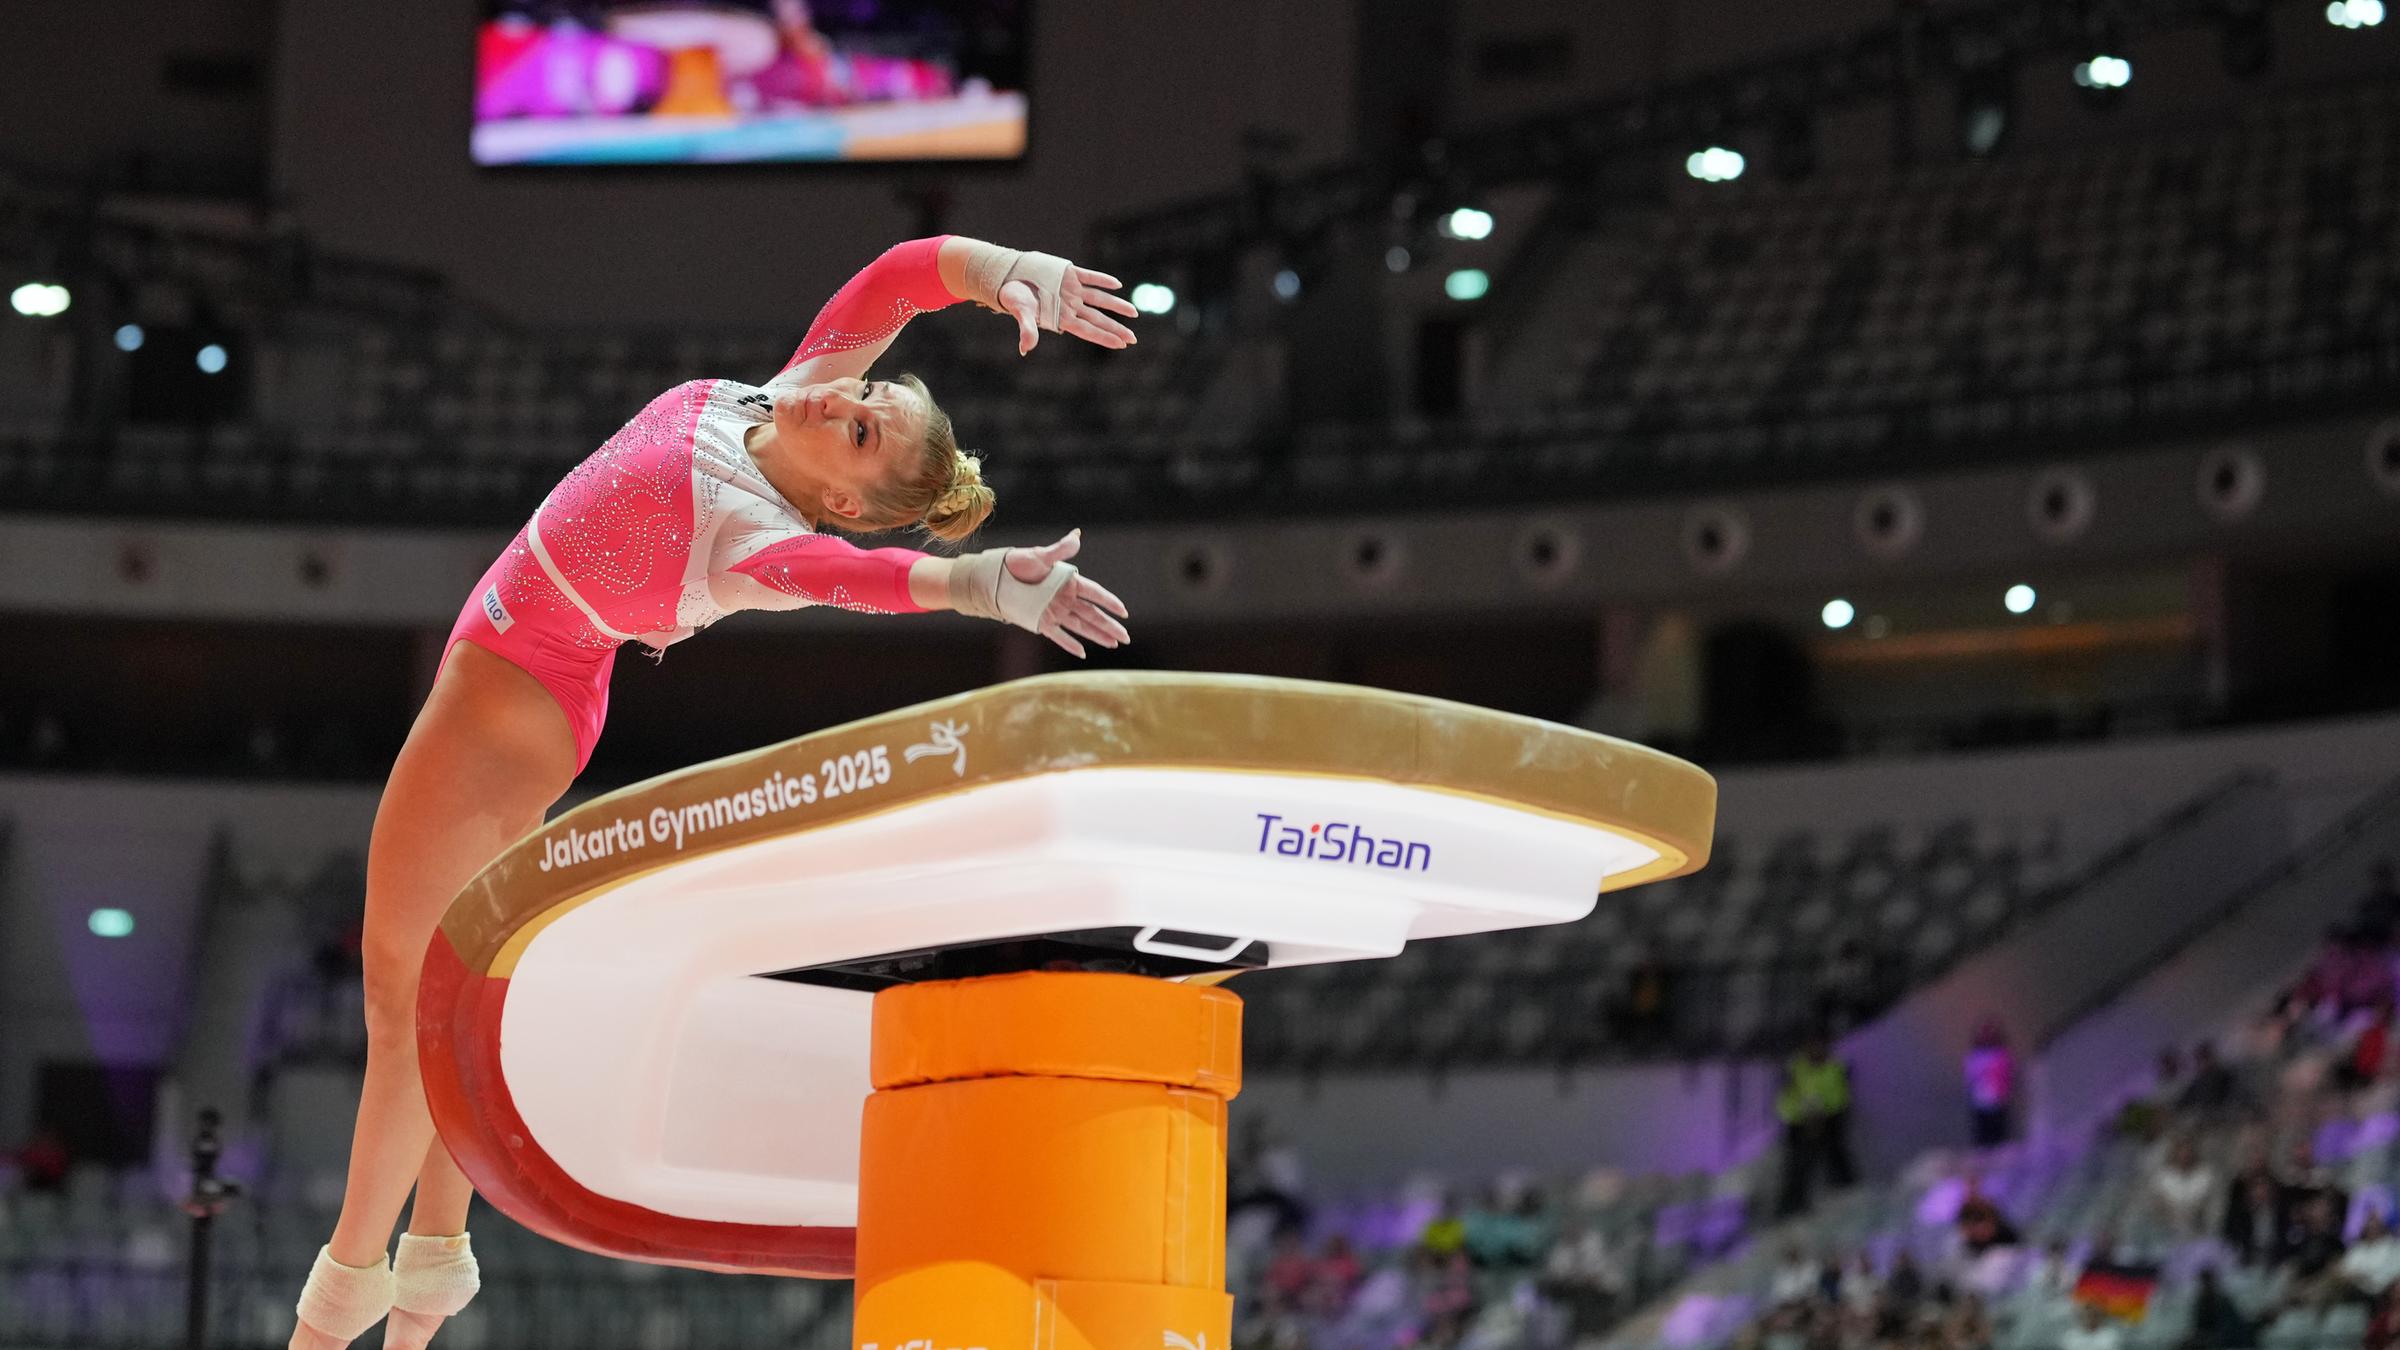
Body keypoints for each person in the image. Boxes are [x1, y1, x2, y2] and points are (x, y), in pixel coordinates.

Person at [284, 234, 1142, 1350]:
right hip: (524, 681)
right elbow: (893, 278)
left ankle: (334, 1307)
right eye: (872, 390)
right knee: (441, 1005)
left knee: (404, 1011)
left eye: (863, 429)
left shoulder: (755, 543)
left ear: (840, 490)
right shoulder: (778, 398)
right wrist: (996, 270)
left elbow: (862, 579)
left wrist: (977, 584)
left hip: (510, 698)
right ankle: (432, 1264)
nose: (847, 398)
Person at [1774, 1034, 1858, 1216]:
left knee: (1836, 1157)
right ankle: (1792, 1207)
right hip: (1799, 1123)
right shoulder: (1795, 1068)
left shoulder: (1835, 1068)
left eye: (1820, 1046)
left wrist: (1823, 1112)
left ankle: (1847, 1196)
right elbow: (1786, 1099)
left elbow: (1840, 1097)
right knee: (1797, 1166)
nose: (1816, 1051)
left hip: (1828, 1120)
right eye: (1812, 1047)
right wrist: (1803, 1115)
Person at [1963, 1019, 2016, 1148]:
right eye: (1983, 1032)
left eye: (1990, 1032)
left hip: (1998, 1102)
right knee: (1983, 1140)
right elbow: (1970, 1079)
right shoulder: (1974, 1056)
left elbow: (2008, 1077)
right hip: (1980, 1103)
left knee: (1999, 1138)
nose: (1986, 1035)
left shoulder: (2002, 1055)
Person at [2059, 1301, 2126, 1350]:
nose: (2089, 1318)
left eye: (2093, 1315)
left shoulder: (2110, 1336)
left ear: (2099, 1316)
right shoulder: (2070, 1336)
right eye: (2086, 1315)